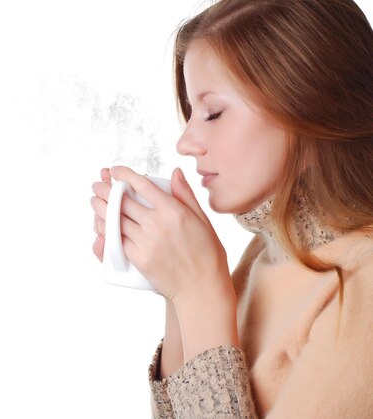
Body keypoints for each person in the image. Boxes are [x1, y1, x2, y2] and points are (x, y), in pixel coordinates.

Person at [90, 0, 373, 417]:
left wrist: (199, 291)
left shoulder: (363, 290)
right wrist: (176, 287)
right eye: (192, 113)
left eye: (213, 112)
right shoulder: (266, 255)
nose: (186, 142)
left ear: (314, 107)